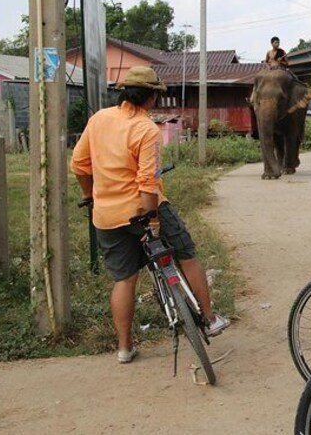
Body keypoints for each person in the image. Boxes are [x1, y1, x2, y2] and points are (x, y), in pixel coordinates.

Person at [71, 66, 229, 364]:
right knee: (186, 255)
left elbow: (79, 165)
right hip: (143, 208)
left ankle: (124, 348)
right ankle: (209, 318)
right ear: (152, 97)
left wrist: (88, 194)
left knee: (125, 279)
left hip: (106, 216)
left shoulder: (99, 119)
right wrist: (154, 219)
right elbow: (147, 183)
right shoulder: (146, 130)